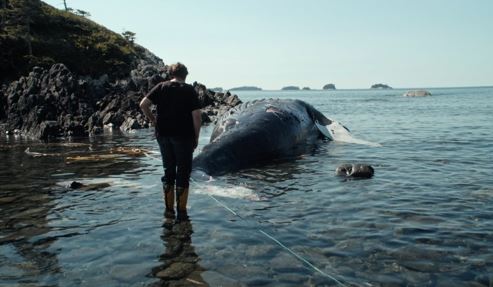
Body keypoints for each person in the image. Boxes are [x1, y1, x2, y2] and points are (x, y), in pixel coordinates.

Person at [139, 62, 201, 220]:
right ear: (185, 75)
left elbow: (143, 104)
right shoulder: (189, 90)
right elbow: (196, 116)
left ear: (171, 74)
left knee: (168, 171)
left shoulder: (161, 87)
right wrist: (196, 137)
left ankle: (168, 211)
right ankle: (181, 211)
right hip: (183, 136)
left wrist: (154, 121)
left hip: (163, 135)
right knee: (183, 172)